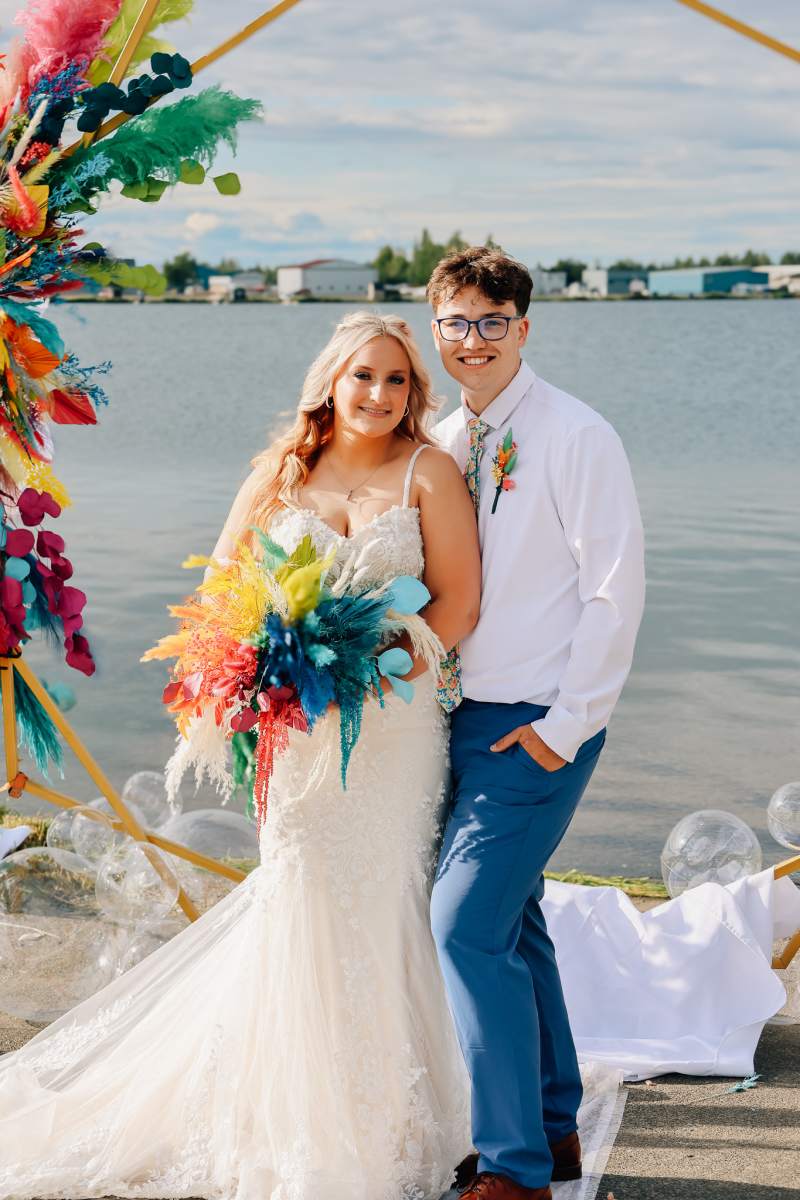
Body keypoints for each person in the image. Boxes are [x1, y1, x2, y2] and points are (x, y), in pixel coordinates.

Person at [0, 312, 481, 1200]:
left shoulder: (430, 472)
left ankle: (402, 1115)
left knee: (388, 901)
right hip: (298, 737)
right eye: (363, 377)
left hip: (397, 731)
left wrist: (378, 665)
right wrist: (254, 670)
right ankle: (290, 1118)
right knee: (302, 900)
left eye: (398, 381)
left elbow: (457, 607)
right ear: (330, 383)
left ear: (416, 394)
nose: (379, 395)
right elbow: (221, 594)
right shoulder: (279, 475)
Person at [428, 247, 646, 1200]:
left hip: (539, 725)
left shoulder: (576, 435)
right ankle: (553, 1130)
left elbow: (615, 592)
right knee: (515, 924)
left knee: (465, 927)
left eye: (490, 322)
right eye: (454, 324)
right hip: (458, 721)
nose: (471, 342)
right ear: (435, 329)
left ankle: (512, 1170)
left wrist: (567, 726)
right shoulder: (442, 436)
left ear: (524, 327)